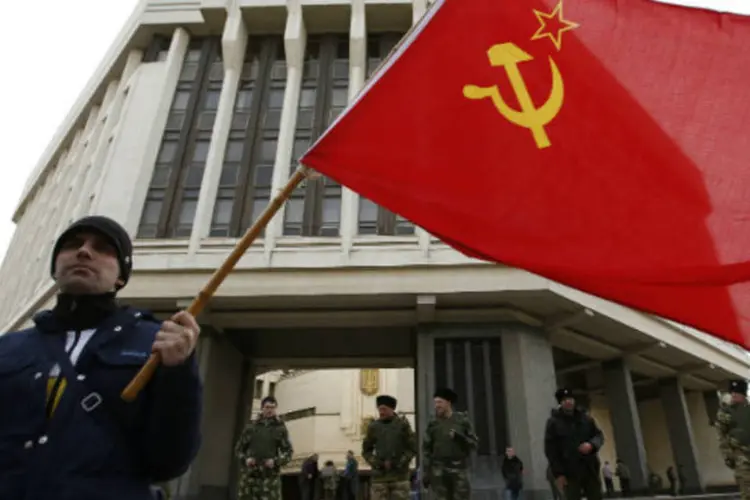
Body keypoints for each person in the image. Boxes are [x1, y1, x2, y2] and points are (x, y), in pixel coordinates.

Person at [0, 216, 202, 500]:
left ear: (121, 276)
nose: (84, 251)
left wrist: (179, 373)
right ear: (55, 268)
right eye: (72, 245)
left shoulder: (156, 343)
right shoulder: (8, 348)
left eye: (103, 248)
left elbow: (170, 460)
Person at [544, 388, 605, 500]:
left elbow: (599, 436)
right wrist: (558, 474)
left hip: (589, 468)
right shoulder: (553, 423)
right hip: (569, 471)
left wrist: (591, 445)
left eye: (570, 399)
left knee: (596, 496)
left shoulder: (586, 419)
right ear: (560, 403)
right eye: (565, 400)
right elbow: (551, 451)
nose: (568, 402)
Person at [422, 388, 479, 500]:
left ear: (448, 403)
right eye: (435, 403)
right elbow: (426, 449)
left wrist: (460, 437)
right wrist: (426, 472)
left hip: (459, 471)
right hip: (438, 471)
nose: (436, 406)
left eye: (440, 402)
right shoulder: (433, 423)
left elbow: (474, 444)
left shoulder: (462, 420)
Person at [235, 396, 294, 500]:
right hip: (250, 476)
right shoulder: (251, 427)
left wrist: (275, 462)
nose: (270, 410)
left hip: (269, 478)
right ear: (262, 408)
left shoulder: (280, 429)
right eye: (267, 407)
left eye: (272, 407)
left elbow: (288, 452)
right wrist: (246, 460)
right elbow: (239, 449)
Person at [362, 394, 417, 500]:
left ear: (392, 409)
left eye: (384, 409)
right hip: (379, 478)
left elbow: (412, 448)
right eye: (379, 409)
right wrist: (378, 463)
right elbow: (366, 451)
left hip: (400, 478)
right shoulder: (373, 427)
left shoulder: (403, 425)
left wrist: (400, 462)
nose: (381, 412)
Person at [716, 379, 750, 500]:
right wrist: (727, 455)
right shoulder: (725, 413)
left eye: (737, 392)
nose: (734, 395)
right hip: (740, 456)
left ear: (744, 394)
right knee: (746, 490)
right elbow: (721, 435)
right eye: (732, 392)